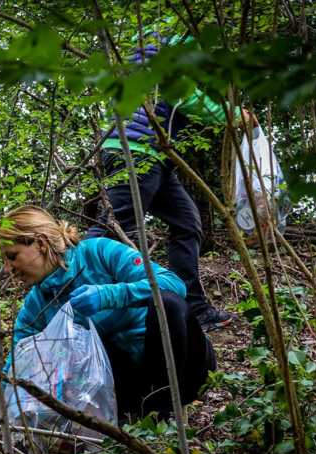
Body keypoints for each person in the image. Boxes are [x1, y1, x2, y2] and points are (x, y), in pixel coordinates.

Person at [0, 206, 215, 427]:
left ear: (39, 243)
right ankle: (144, 415)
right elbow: (14, 376)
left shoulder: (98, 252)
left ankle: (166, 414)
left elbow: (173, 285)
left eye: (12, 256)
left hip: (185, 366)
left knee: (168, 304)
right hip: (127, 387)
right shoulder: (35, 309)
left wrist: (109, 295)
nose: (8, 268)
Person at [86, 35, 255, 332]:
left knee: (187, 222)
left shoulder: (153, 45)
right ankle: (66, 291)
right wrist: (233, 114)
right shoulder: (168, 47)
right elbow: (187, 97)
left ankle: (194, 309)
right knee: (113, 225)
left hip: (154, 156)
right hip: (134, 152)